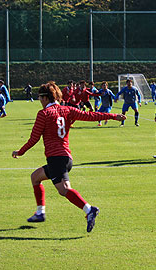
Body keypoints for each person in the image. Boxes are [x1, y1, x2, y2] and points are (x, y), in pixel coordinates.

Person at [12, 81, 126, 233]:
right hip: (66, 158)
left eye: (40, 97)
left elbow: (34, 139)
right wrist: (113, 116)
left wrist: (20, 152)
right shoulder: (67, 110)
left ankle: (88, 209)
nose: (39, 100)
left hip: (55, 158)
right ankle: (40, 212)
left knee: (64, 190)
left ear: (45, 98)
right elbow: (91, 115)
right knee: (35, 177)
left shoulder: (43, 114)